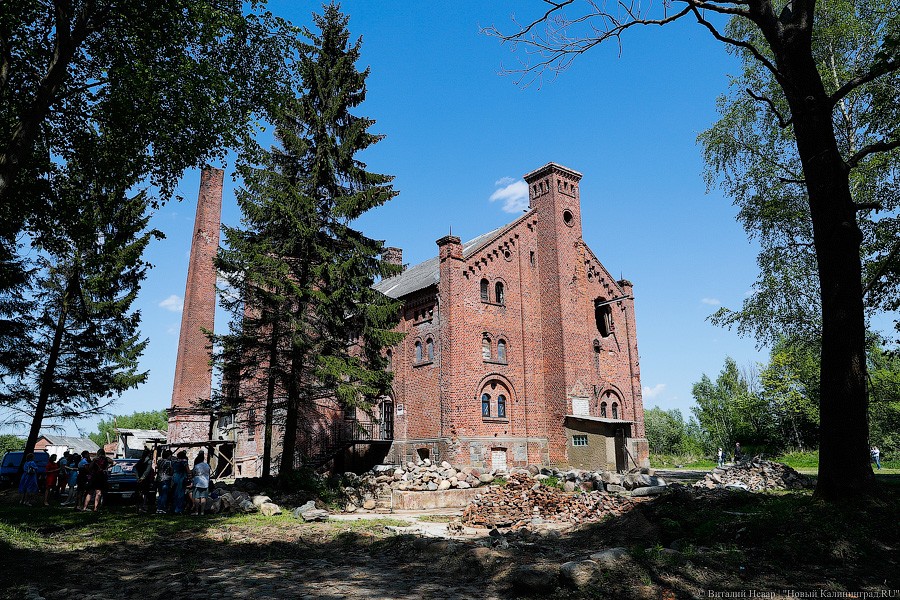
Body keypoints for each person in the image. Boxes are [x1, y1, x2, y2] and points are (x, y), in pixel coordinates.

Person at [135, 448, 154, 513]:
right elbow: (147, 471)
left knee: (140, 493)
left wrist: (137, 477)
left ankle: (139, 507)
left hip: (139, 479)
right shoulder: (149, 461)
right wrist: (142, 478)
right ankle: (143, 507)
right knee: (145, 493)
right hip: (145, 480)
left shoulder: (140, 460)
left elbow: (135, 469)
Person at [155, 449, 173, 514]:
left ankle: (158, 508)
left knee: (160, 494)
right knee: (164, 494)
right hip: (166, 479)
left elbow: (156, 467)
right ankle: (162, 508)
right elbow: (171, 471)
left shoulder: (159, 461)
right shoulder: (169, 462)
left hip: (159, 479)